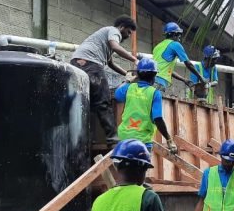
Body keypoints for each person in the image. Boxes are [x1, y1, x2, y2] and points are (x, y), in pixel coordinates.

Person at [71, 16, 139, 145]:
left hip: (77, 63)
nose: (129, 35)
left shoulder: (103, 40)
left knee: (88, 103)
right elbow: (115, 46)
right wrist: (134, 59)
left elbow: (111, 63)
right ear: (122, 27)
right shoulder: (114, 31)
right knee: (103, 100)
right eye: (129, 32)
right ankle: (113, 138)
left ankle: (89, 139)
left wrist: (127, 74)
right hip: (90, 63)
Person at [115, 58, 178, 155]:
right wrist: (169, 139)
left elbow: (117, 95)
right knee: (142, 164)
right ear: (154, 76)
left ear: (138, 74)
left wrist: (127, 81)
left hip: (124, 138)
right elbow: (158, 119)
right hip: (143, 141)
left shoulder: (129, 88)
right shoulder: (154, 93)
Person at [152, 22, 206, 91]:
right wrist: (201, 77)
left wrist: (184, 80)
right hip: (160, 82)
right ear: (175, 34)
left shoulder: (157, 47)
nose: (180, 37)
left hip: (151, 80)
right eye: (179, 34)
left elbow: (167, 70)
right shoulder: (175, 45)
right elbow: (188, 64)